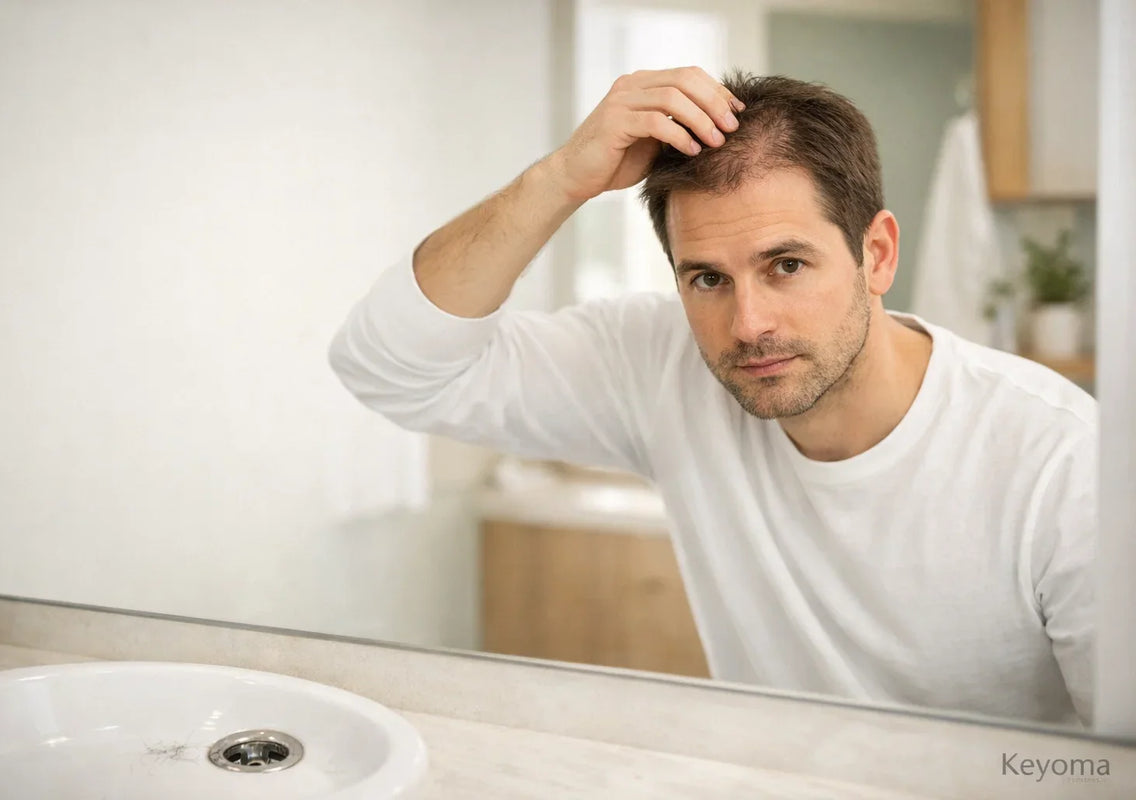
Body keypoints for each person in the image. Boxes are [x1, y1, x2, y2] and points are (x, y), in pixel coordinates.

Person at [329, 68, 1097, 726]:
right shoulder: (659, 366)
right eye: (707, 278)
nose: (749, 325)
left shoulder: (1061, 459)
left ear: (877, 254)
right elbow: (388, 366)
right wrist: (562, 176)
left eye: (787, 264)